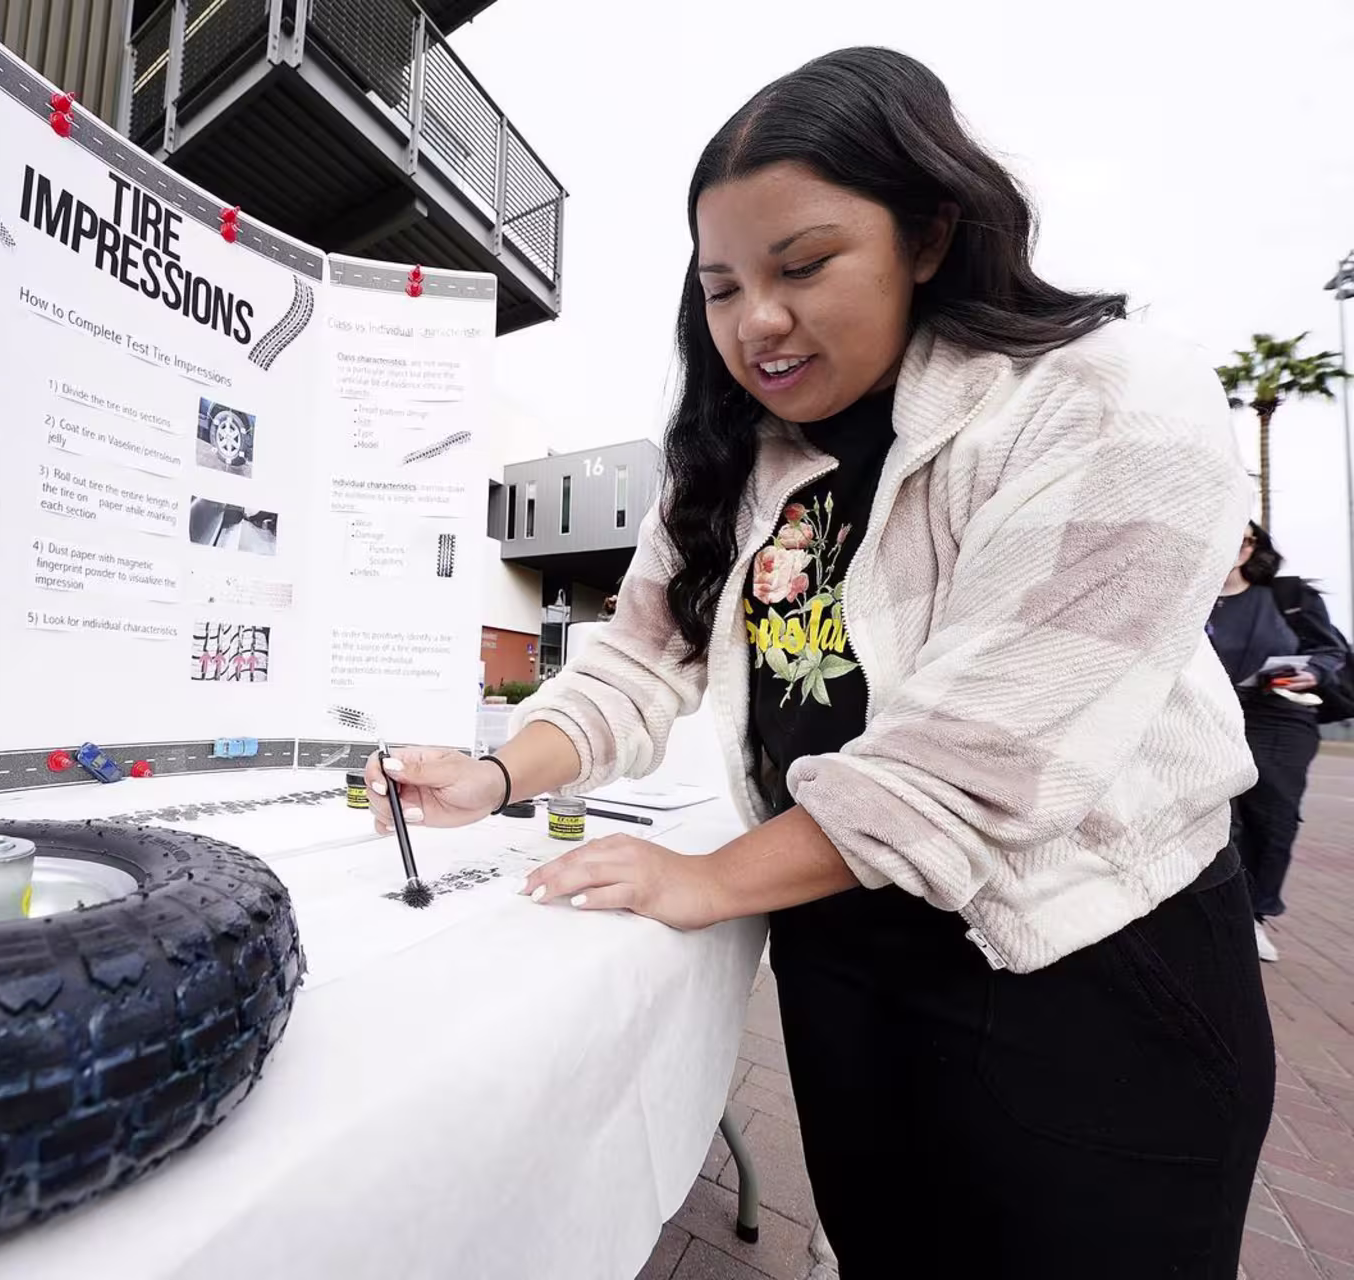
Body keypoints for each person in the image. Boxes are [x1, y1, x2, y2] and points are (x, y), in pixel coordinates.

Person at [363, 46, 1272, 1278]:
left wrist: (711, 875)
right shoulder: (728, 456)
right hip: (842, 942)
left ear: (932, 232)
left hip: (1081, 958)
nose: (758, 321)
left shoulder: (1105, 399)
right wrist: (496, 773)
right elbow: (639, 654)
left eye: (803, 266)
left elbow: (976, 760)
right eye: (722, 285)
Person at [1208, 521, 1345, 961]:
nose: (1233, 545)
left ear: (1253, 548)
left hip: (1279, 712)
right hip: (1211, 714)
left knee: (1274, 813)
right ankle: (1215, 912)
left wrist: (1315, 672)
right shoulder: (1187, 597)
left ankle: (1255, 914)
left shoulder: (1288, 596)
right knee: (1218, 814)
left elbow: (1330, 650)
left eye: (1243, 538)